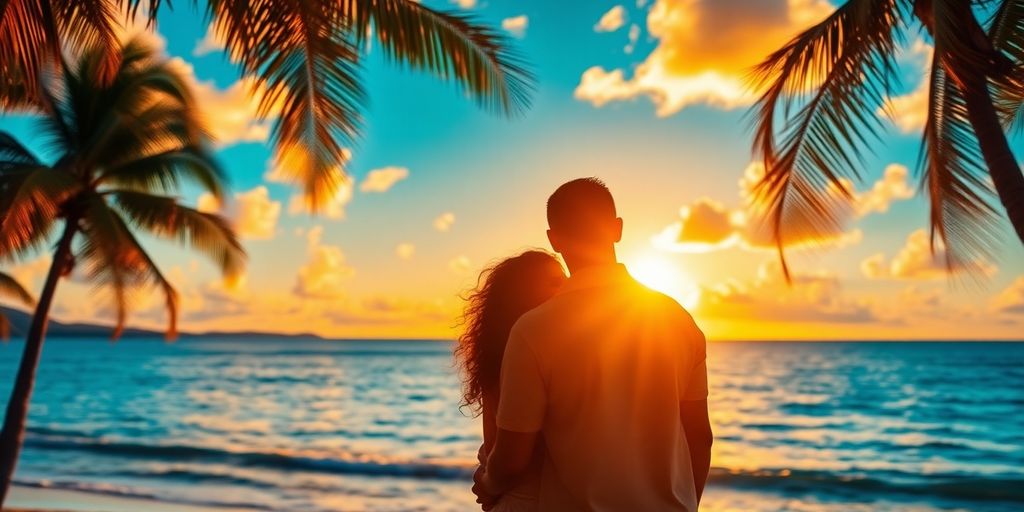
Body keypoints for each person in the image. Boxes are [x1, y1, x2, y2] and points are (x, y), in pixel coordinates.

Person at [472, 178, 713, 511]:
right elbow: (700, 437)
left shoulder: (533, 329)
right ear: (617, 229)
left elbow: (513, 455)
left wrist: (488, 483)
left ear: (554, 240)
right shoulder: (679, 320)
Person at [455, 250, 568, 511]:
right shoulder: (507, 358)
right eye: (554, 281)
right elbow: (500, 450)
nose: (566, 286)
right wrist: (490, 483)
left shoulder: (565, 350)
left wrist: (487, 484)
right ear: (523, 293)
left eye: (564, 278)